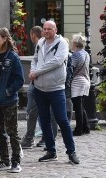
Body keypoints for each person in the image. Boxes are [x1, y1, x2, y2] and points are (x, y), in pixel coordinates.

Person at [29, 21, 78, 165]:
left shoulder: (61, 43)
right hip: (40, 87)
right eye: (44, 29)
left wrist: (37, 71)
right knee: (44, 121)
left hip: (56, 88)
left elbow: (57, 62)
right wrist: (33, 70)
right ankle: (51, 150)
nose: (46, 31)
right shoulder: (41, 43)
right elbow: (35, 59)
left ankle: (71, 151)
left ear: (55, 29)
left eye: (49, 29)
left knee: (62, 120)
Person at [0, 28, 25, 173]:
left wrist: (8, 91)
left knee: (12, 131)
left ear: (4, 39)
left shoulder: (12, 57)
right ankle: (4, 161)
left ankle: (16, 162)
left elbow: (19, 79)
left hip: (8, 100)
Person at [20, 25, 42, 149]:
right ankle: (34, 137)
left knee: (32, 112)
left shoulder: (40, 45)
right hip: (37, 83)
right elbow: (35, 62)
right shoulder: (40, 45)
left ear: (33, 35)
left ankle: (30, 138)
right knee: (35, 112)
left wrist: (34, 73)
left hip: (37, 84)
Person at [67, 34, 91, 136]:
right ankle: (86, 127)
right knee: (81, 106)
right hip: (86, 80)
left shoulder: (75, 55)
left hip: (77, 81)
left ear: (75, 43)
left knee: (77, 107)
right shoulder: (86, 54)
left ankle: (79, 129)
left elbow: (71, 68)